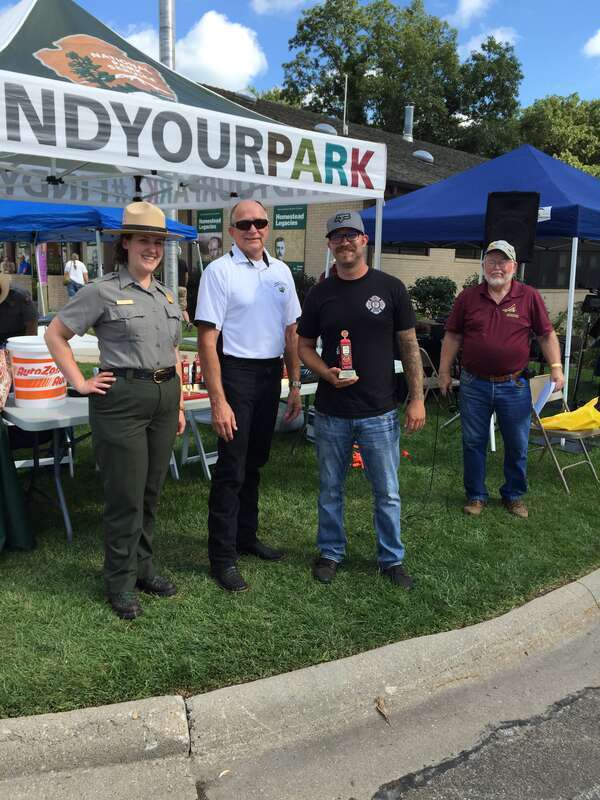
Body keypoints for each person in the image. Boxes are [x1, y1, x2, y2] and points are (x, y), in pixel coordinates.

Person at [45, 202, 186, 619]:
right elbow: (56, 334)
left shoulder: (164, 294)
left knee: (150, 492)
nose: (152, 249)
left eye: (158, 242)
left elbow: (173, 350)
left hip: (164, 397)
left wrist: (176, 404)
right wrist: (80, 382)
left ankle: (143, 569)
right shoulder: (102, 290)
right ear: (124, 243)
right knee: (125, 496)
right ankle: (120, 582)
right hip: (121, 400)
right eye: (144, 240)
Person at [297, 210, 426, 588]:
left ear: (364, 240)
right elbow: (304, 347)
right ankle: (330, 552)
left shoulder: (390, 288)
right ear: (330, 245)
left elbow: (410, 345)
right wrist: (325, 373)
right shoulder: (320, 293)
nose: (345, 241)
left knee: (386, 491)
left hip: (379, 411)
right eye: (337, 236)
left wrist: (417, 398)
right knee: (330, 488)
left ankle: (391, 559)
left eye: (351, 234)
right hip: (332, 411)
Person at [196, 199, 302, 592]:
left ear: (268, 225)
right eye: (244, 224)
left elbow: (291, 332)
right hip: (235, 372)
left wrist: (293, 384)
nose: (253, 229)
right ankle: (221, 557)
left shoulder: (281, 272)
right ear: (231, 231)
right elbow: (208, 340)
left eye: (259, 222)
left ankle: (246, 536)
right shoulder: (219, 272)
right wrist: (218, 400)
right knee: (231, 469)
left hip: (269, 374)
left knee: (255, 462)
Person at [439, 240, 564, 519]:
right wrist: (444, 372)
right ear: (483, 264)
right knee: (473, 441)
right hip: (474, 384)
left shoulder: (529, 296)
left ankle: (514, 495)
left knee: (517, 442)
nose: (498, 267)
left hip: (514, 384)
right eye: (492, 261)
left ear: (514, 267)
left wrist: (556, 367)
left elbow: (546, 334)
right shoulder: (468, 298)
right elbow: (453, 336)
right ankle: (476, 495)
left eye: (503, 261)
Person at [177, 246, 191, 327]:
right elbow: (186, 275)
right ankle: (188, 322)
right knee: (183, 308)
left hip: (172, 288)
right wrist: (185, 284)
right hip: (182, 287)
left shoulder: (169, 262)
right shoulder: (183, 262)